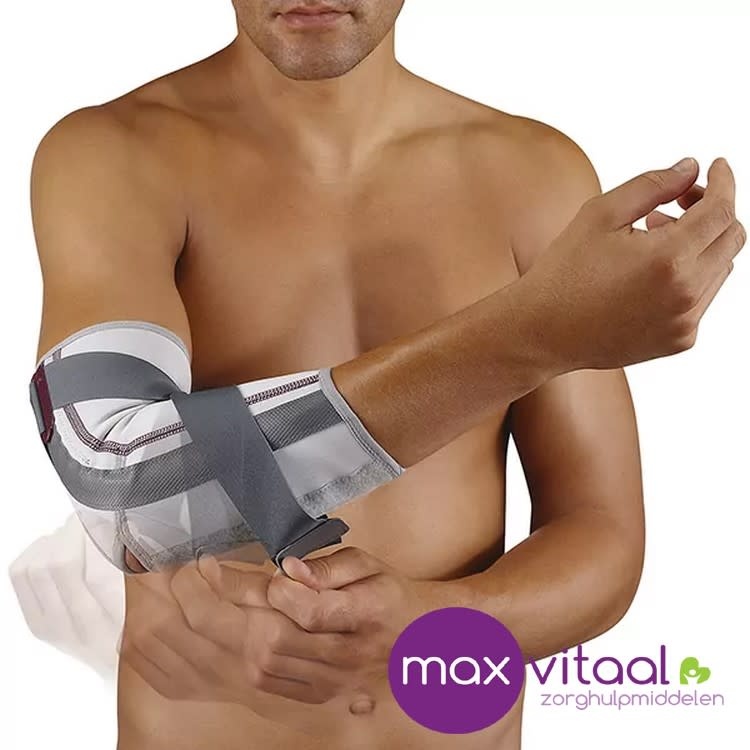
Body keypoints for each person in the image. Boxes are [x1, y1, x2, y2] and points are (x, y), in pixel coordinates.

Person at [26, 1, 745, 748]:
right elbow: (118, 478)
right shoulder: (116, 156)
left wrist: (430, 628)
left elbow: (602, 534)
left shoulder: (532, 175)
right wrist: (531, 332)